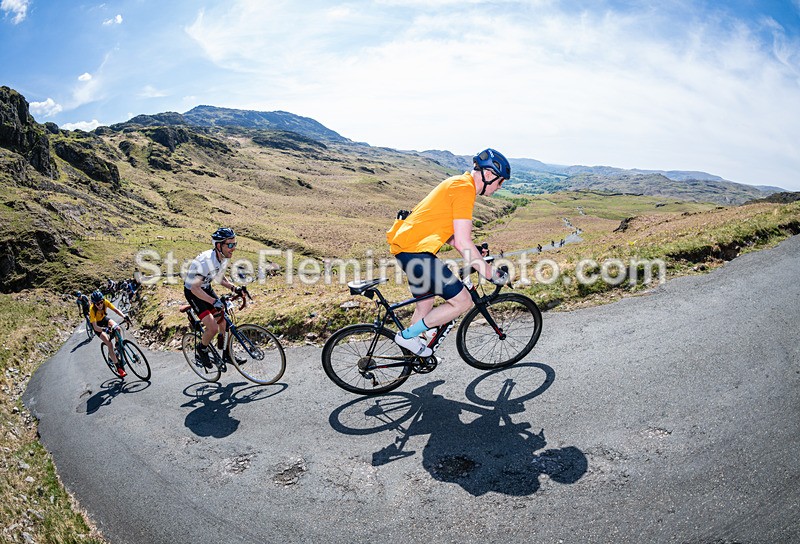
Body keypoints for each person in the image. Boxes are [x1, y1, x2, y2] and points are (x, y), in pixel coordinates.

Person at [386, 148, 511, 357]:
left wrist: (475, 252)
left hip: (407, 250)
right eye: (500, 182)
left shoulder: (458, 183)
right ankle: (407, 337)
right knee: (463, 301)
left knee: (425, 306)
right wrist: (490, 273)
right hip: (416, 252)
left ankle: (413, 359)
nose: (499, 187)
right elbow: (462, 242)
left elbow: (451, 235)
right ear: (489, 174)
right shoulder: (464, 189)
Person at [184, 227, 243, 368]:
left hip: (205, 288)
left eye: (234, 244)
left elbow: (219, 278)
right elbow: (195, 288)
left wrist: (235, 288)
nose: (233, 248)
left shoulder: (223, 257)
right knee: (212, 327)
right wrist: (213, 301)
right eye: (230, 245)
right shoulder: (206, 261)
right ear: (218, 245)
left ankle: (227, 354)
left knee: (225, 324)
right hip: (193, 292)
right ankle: (201, 349)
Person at [89, 290, 129, 377]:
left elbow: (116, 310)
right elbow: (95, 327)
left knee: (117, 328)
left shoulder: (105, 302)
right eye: (97, 304)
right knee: (109, 344)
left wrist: (124, 316)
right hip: (97, 326)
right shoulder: (92, 310)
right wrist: (105, 329)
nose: (100, 305)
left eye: (101, 302)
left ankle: (117, 346)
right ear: (94, 304)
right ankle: (118, 368)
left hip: (104, 319)